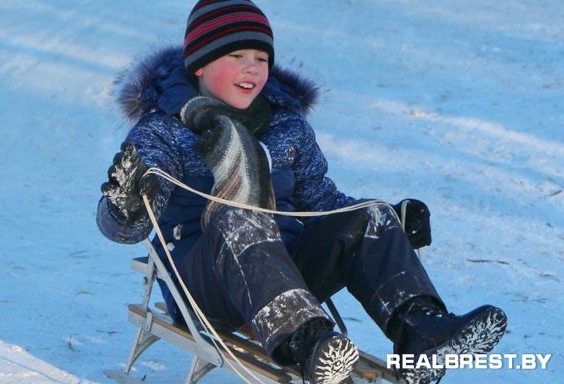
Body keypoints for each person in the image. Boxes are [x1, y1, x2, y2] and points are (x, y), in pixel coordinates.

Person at [96, 1, 506, 383]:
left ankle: (421, 334)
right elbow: (123, 230)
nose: (251, 68)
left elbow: (322, 204)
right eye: (235, 56)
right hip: (202, 285)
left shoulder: (285, 126)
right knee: (239, 215)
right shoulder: (163, 132)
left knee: (370, 214)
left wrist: (391, 223)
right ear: (199, 66)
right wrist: (124, 204)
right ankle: (310, 345)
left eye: (260, 58)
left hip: (286, 271)